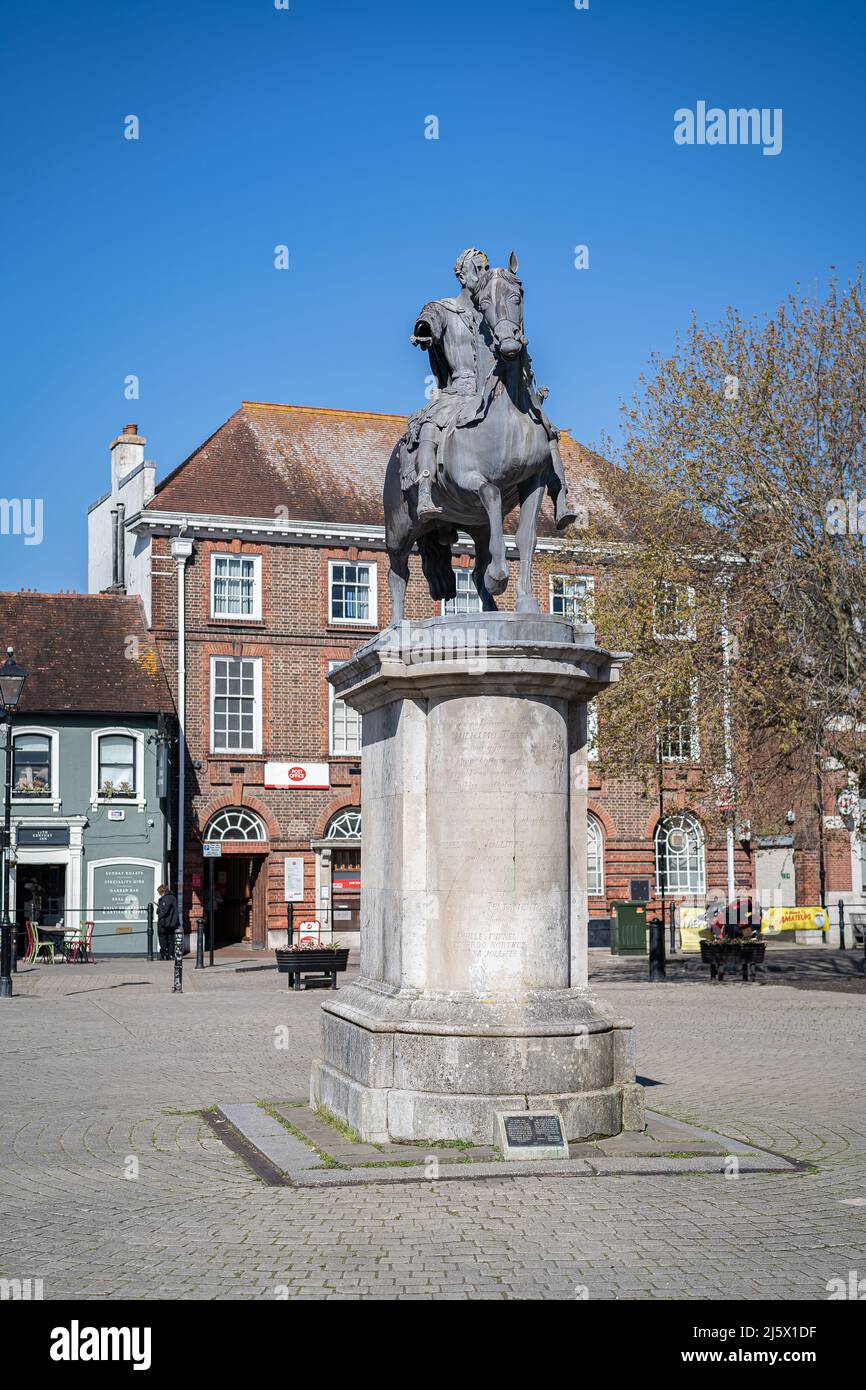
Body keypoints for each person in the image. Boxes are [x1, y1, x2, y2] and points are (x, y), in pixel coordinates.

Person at [156, 884, 179, 961]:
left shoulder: (165, 898)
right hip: (172, 923)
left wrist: (158, 911)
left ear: (162, 891)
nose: (159, 894)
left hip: (164, 922)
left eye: (159, 893)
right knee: (171, 939)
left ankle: (163, 955)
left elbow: (164, 911)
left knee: (162, 939)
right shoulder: (173, 897)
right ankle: (171, 954)